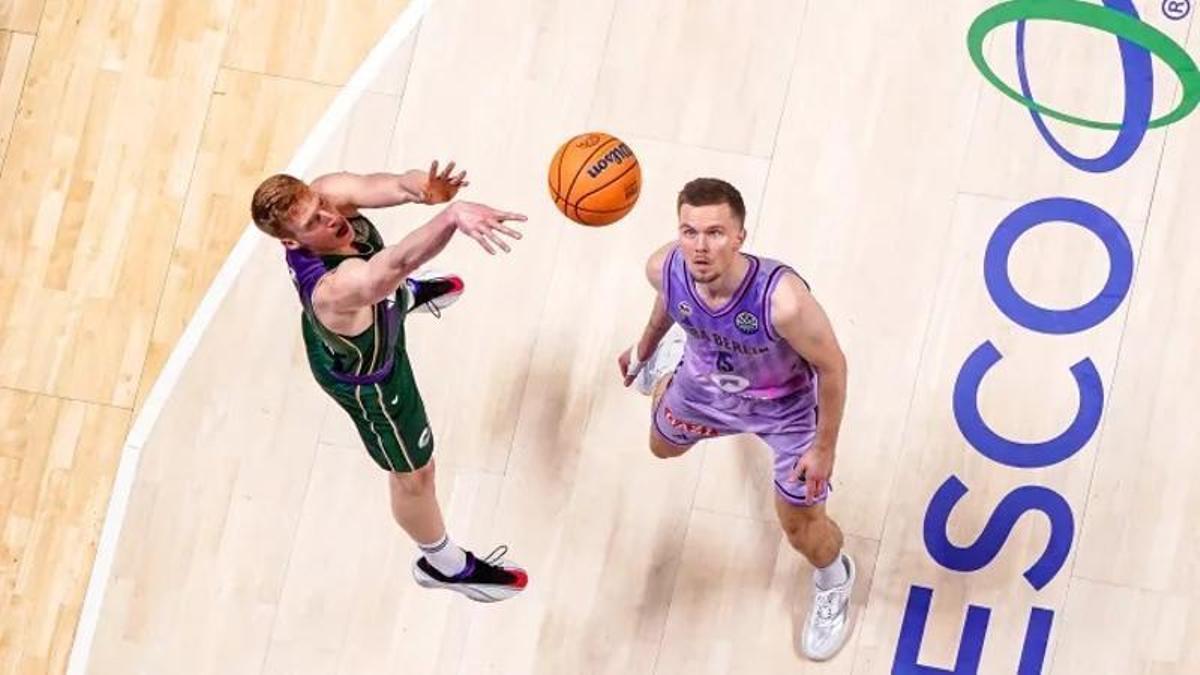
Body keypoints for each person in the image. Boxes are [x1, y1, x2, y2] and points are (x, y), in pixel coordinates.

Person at [250, 161, 528, 602]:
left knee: (389, 286)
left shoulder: (324, 196)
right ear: (291, 241)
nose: (330, 216)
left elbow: (389, 184)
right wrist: (451, 217)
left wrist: (426, 191)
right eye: (313, 222)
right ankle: (443, 564)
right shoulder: (335, 290)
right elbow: (394, 263)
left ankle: (405, 298)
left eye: (321, 204)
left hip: (366, 311)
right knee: (416, 475)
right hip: (371, 379)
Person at [618, 177, 855, 659]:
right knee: (661, 446)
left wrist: (824, 449)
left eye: (715, 233)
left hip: (785, 412)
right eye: (689, 232)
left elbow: (833, 367)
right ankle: (671, 361)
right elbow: (669, 299)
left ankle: (835, 578)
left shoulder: (781, 302)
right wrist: (644, 349)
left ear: (741, 236)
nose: (700, 247)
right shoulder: (666, 267)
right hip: (706, 389)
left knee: (799, 527)